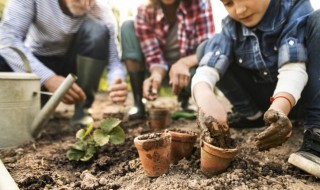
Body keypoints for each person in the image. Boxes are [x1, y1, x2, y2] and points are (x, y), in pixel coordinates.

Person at [192, 0, 320, 176]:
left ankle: (317, 130)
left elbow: (293, 69)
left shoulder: (294, 7)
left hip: (301, 97)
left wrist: (279, 108)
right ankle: (253, 116)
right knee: (205, 49)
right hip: (267, 102)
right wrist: (206, 98)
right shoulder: (231, 25)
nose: (240, 10)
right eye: (228, 3)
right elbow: (207, 69)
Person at [0, 0, 128, 126]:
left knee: (97, 30)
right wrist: (48, 78)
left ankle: (82, 109)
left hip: (73, 65)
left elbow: (114, 61)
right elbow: (8, 39)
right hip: (38, 62)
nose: (85, 4)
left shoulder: (101, 10)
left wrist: (117, 80)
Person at [120, 0, 215, 120]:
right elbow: (153, 55)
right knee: (128, 25)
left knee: (202, 71)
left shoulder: (200, 3)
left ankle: (184, 100)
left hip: (188, 71)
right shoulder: (144, 10)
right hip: (159, 72)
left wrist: (184, 63)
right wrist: (156, 74)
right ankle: (138, 101)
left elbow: (206, 49)